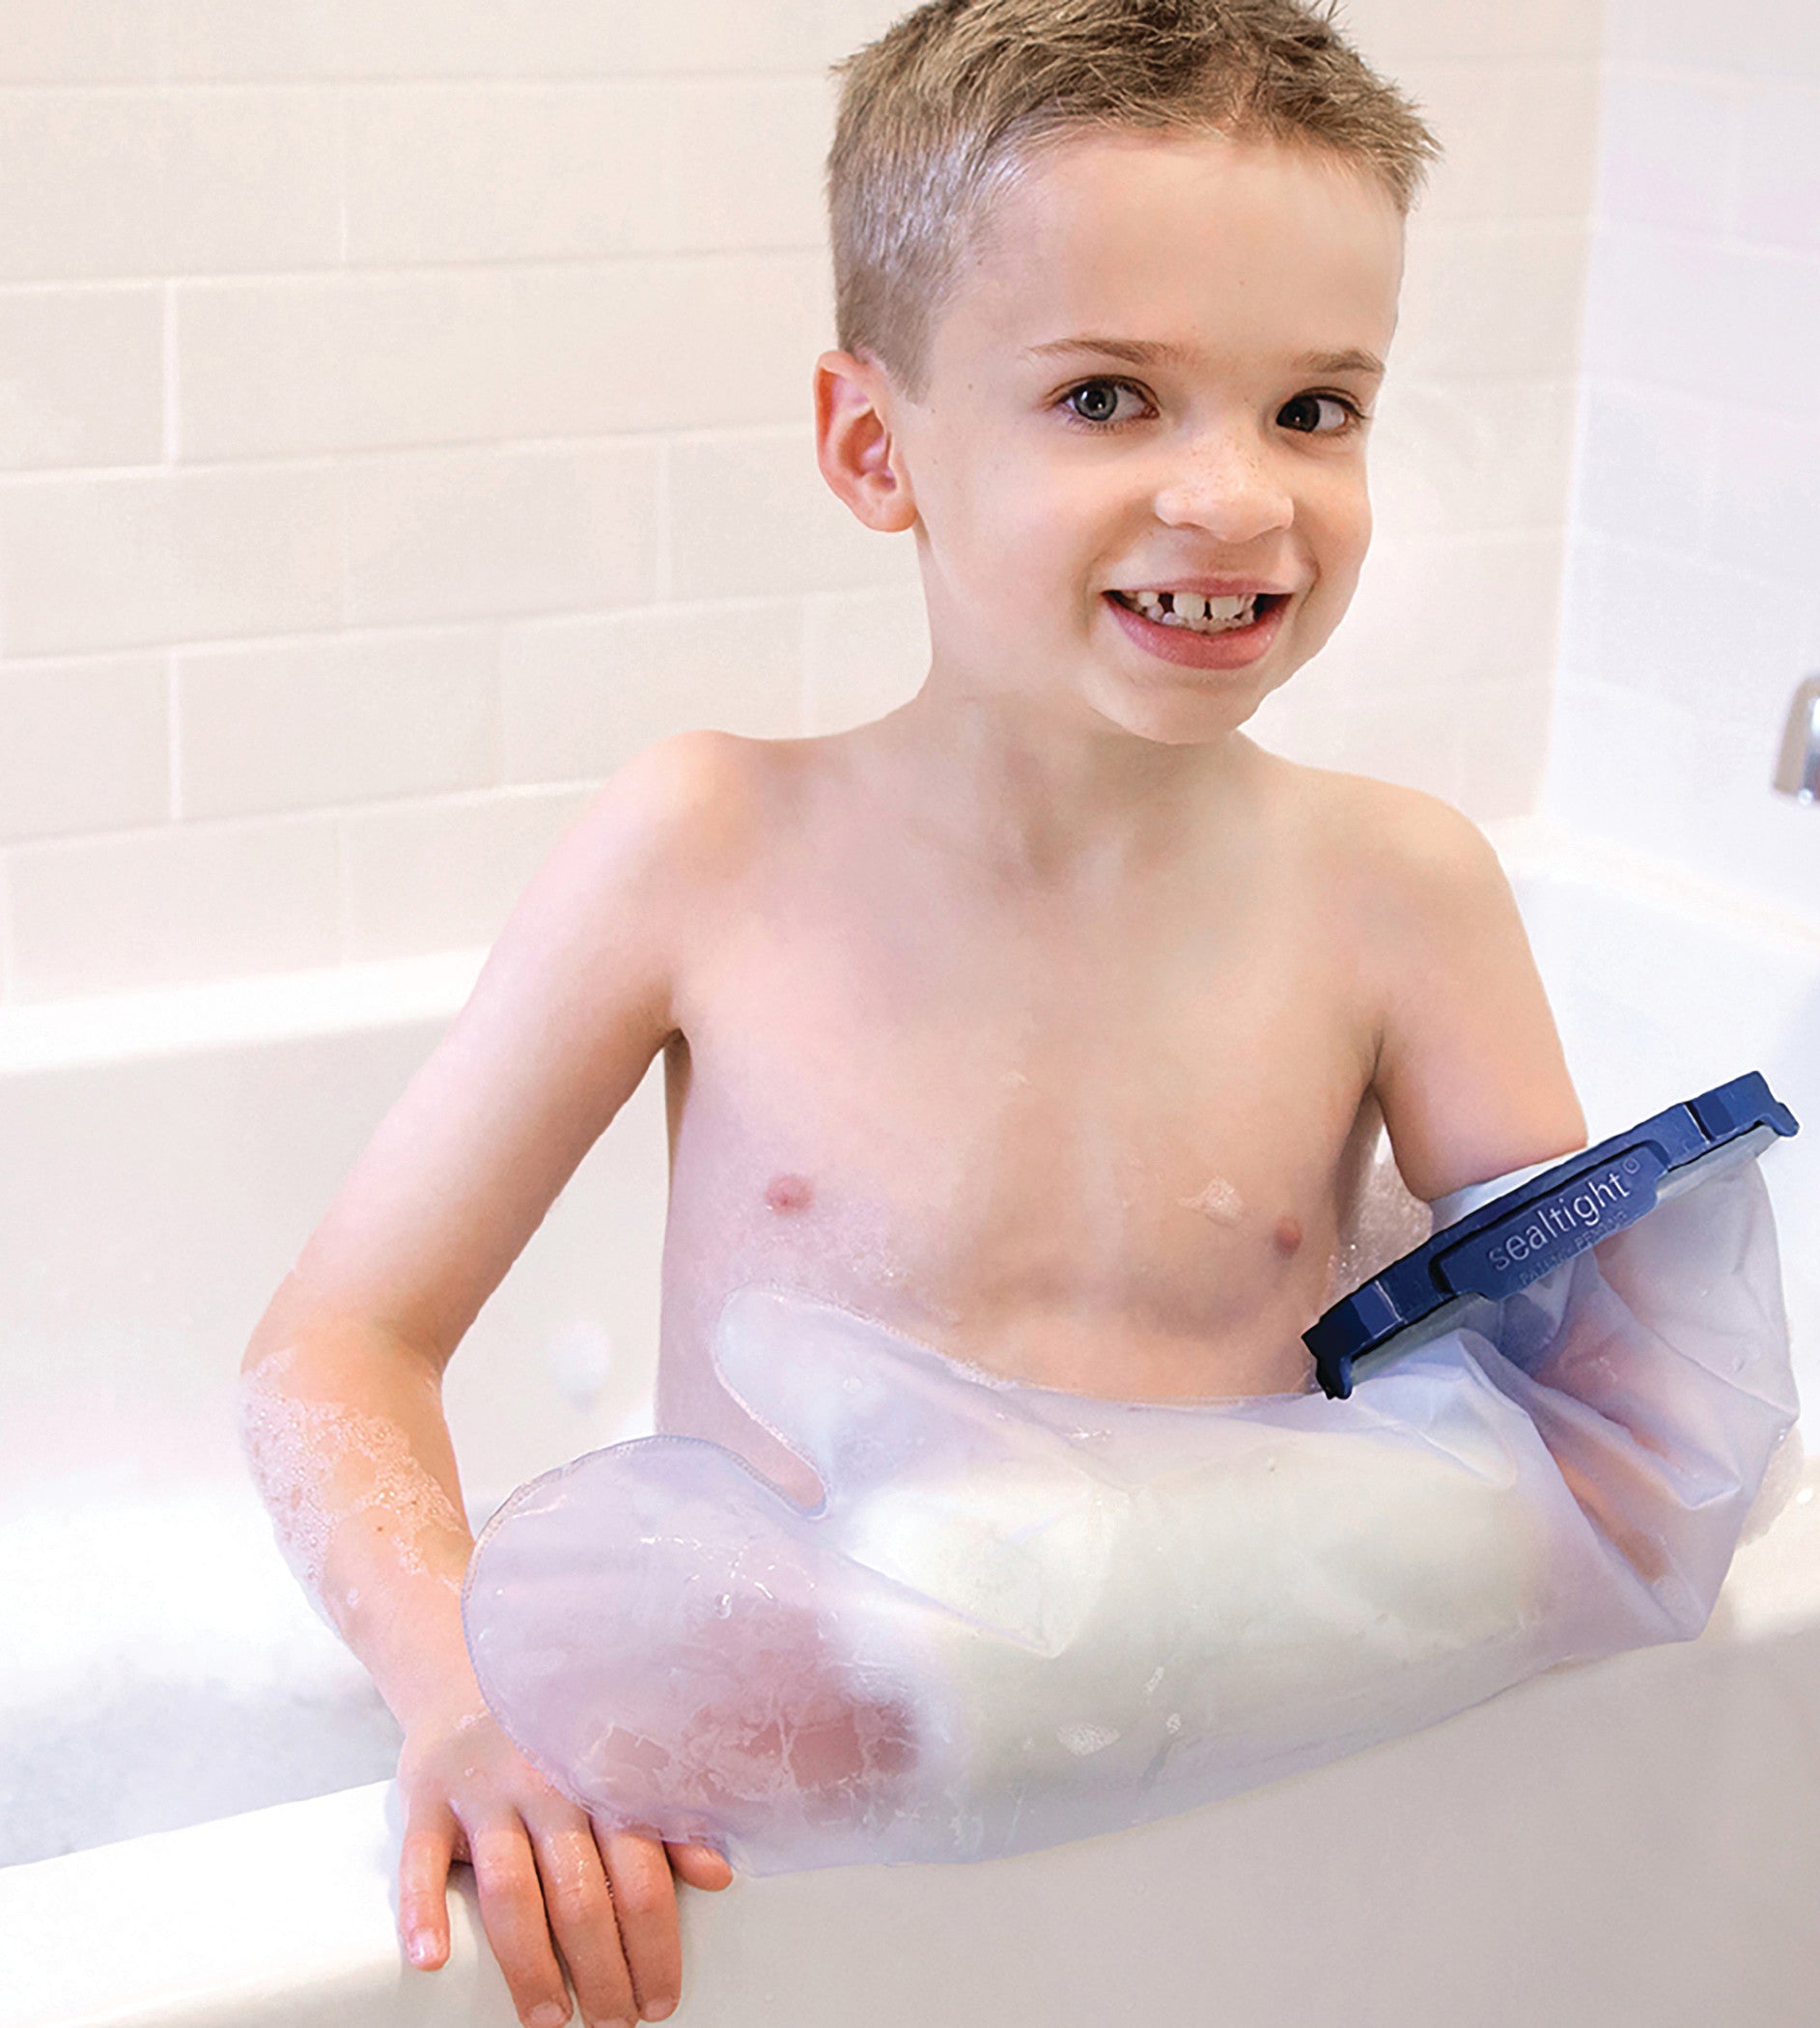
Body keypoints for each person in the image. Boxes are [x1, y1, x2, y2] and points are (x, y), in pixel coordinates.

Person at [238, 3, 1588, 2022]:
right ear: (879, 448)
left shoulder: (1404, 892)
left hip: (1218, 1825)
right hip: (791, 1840)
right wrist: (465, 1702)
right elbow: (336, 1347)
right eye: (1111, 398)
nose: (1235, 498)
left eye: (1317, 408)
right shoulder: (710, 849)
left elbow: (1572, 1399)